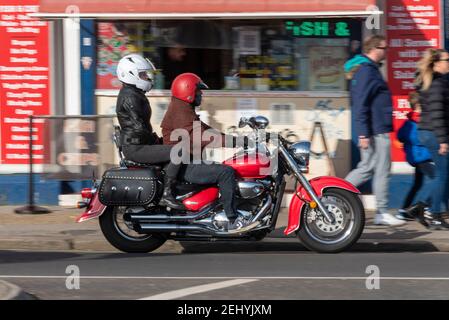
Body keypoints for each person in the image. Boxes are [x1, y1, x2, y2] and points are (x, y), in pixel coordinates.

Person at [160, 72, 254, 232]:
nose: (201, 94)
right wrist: (236, 142)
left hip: (188, 161)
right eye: (198, 91)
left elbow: (208, 131)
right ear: (188, 91)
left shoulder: (184, 109)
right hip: (185, 166)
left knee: (225, 168)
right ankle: (232, 218)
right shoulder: (180, 112)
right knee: (226, 172)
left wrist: (238, 139)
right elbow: (202, 137)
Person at [344, 35, 405, 226]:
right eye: (384, 48)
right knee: (375, 169)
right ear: (374, 49)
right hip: (374, 130)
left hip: (375, 128)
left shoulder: (368, 70)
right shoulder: (367, 71)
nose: (386, 51)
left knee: (372, 168)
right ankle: (334, 195)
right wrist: (363, 133)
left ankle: (336, 196)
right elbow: (360, 104)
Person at [115, 54, 185, 210]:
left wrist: (157, 139)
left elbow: (141, 127)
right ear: (130, 75)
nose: (146, 78)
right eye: (142, 75)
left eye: (145, 74)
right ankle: (167, 195)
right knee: (177, 152)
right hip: (136, 148)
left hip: (138, 144)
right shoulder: (129, 97)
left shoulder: (134, 94)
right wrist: (155, 141)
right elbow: (138, 128)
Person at [412, 48, 449, 230]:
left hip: (429, 132)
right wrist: (443, 140)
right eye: (446, 60)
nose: (448, 63)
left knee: (442, 175)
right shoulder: (436, 84)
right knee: (442, 175)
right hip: (434, 133)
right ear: (437, 63)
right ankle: (434, 215)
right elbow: (437, 114)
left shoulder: (436, 81)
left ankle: (420, 207)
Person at [395, 92, 433, 222]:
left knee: (417, 184)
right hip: (422, 157)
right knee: (439, 180)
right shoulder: (418, 121)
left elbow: (400, 136)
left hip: (418, 157)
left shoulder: (409, 121)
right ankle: (425, 207)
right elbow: (419, 139)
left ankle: (403, 210)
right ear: (418, 105)